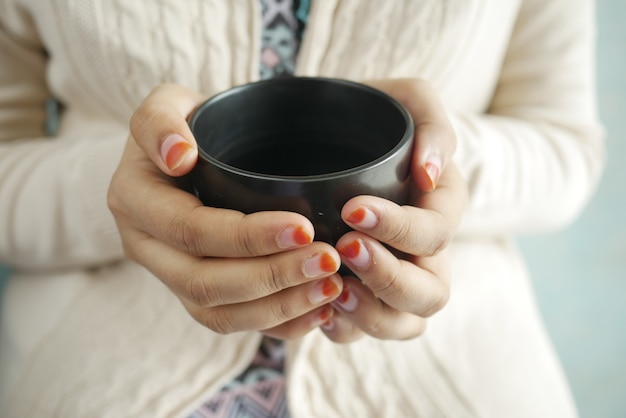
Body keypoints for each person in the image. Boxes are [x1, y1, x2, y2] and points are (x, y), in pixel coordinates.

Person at [0, 0, 604, 417]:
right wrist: (123, 196)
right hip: (100, 367)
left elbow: (566, 147)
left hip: (456, 364)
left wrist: (430, 172)